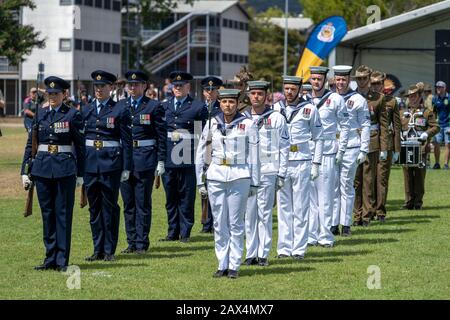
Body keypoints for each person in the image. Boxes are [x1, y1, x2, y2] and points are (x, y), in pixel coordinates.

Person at [20, 76, 85, 271]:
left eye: (56, 93)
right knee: (48, 215)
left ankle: (62, 259)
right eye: (50, 93)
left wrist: (81, 174)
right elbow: (31, 143)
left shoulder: (72, 115)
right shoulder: (40, 113)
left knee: (62, 214)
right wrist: (25, 170)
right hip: (41, 169)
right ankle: (50, 258)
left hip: (64, 169)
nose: (53, 96)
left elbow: (80, 148)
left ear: (64, 94)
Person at [195, 88, 259, 279]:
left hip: (239, 174)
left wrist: (254, 182)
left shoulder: (248, 124)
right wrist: (200, 180)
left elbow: (255, 155)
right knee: (220, 222)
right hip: (216, 174)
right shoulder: (212, 122)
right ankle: (222, 263)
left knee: (236, 222)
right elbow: (202, 151)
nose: (228, 105)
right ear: (219, 103)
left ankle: (234, 264)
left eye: (231, 102)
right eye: (224, 102)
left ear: (238, 103)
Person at [82, 70, 133, 262]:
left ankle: (109, 249)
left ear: (111, 88)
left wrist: (127, 167)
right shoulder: (86, 109)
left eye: (102, 86)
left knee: (109, 207)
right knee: (94, 209)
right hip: (90, 165)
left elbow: (127, 141)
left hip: (111, 165)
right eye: (96, 86)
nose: (98, 90)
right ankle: (98, 249)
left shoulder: (119, 109)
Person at [118, 70, 167, 254]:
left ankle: (141, 243)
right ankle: (131, 242)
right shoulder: (121, 105)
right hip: (125, 160)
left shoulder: (154, 106)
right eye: (130, 84)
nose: (132, 87)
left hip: (145, 158)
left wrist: (161, 160)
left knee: (142, 203)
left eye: (136, 84)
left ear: (144, 86)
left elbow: (162, 136)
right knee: (128, 203)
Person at [243, 80, 289, 266]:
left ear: (266, 96)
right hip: (246, 172)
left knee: (264, 214)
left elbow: (284, 147)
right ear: (248, 95)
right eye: (253, 93)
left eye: (260, 94)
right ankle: (250, 252)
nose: (256, 97)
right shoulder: (243, 118)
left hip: (268, 171)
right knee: (249, 214)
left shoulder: (277, 118)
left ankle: (263, 253)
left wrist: (281, 173)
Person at [277, 75, 323, 259]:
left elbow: (319, 137)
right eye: (286, 89)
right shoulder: (275, 109)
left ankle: (298, 249)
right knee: (283, 207)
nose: (289, 92)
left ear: (299, 90)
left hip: (302, 160)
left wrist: (316, 163)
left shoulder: (309, 109)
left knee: (301, 206)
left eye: (292, 89)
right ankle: (283, 248)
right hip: (282, 163)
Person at [160, 71, 208, 243]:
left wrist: (203, 160)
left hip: (188, 157)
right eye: (175, 86)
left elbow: (203, 136)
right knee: (170, 197)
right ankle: (172, 231)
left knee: (186, 197)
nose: (178, 88)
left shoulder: (197, 107)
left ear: (188, 86)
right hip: (168, 159)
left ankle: (185, 232)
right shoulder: (164, 106)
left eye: (181, 85)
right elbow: (161, 134)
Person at [307, 66, 350, 247]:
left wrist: (341, 150)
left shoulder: (335, 99)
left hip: (327, 152)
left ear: (325, 80)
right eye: (313, 79)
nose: (316, 82)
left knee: (325, 197)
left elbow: (346, 125)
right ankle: (310, 235)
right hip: (307, 153)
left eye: (319, 79)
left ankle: (325, 236)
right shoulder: (304, 100)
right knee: (309, 198)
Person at [331, 65, 370, 236]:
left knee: (346, 185)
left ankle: (345, 223)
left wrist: (364, 149)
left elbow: (366, 124)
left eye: (344, 79)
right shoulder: (329, 98)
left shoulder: (358, 99)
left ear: (349, 80)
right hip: (332, 147)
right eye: (338, 79)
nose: (340, 82)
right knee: (332, 186)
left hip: (351, 147)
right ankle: (332, 223)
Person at [352, 65, 389, 227]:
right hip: (353, 142)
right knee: (355, 181)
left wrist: (384, 148)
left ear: (369, 79)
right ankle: (356, 215)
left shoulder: (378, 98)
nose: (361, 81)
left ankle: (367, 215)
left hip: (372, 142)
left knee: (368, 180)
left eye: (363, 78)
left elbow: (383, 125)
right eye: (358, 79)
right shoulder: (350, 97)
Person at [401, 84, 439, 209]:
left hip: (421, 148)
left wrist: (426, 134)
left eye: (414, 96)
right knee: (407, 176)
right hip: (406, 148)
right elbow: (398, 127)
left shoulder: (426, 112)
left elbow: (436, 127)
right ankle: (408, 202)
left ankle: (418, 202)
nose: (412, 98)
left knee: (419, 175)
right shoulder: (403, 113)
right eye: (410, 96)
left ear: (419, 96)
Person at [371, 71, 402, 222]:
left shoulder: (391, 101)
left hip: (386, 146)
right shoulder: (365, 100)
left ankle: (381, 211)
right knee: (369, 180)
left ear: (383, 85)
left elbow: (397, 127)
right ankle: (369, 210)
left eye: (378, 83)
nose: (375, 86)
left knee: (382, 180)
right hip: (370, 145)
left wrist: (397, 149)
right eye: (373, 83)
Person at [199, 76, 223, 234]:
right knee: (203, 187)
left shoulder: (221, 109)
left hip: (215, 150)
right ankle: (206, 222)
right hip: (202, 150)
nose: (209, 93)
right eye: (207, 90)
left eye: (212, 90)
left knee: (216, 186)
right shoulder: (199, 109)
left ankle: (216, 221)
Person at [431, 81, 450, 169]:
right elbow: (433, 112)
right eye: (437, 87)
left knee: (447, 144)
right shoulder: (435, 99)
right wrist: (433, 123)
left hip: (448, 124)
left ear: (444, 88)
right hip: (438, 125)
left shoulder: (449, 97)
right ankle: (437, 163)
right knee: (436, 144)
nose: (438, 88)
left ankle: (446, 164)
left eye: (440, 87)